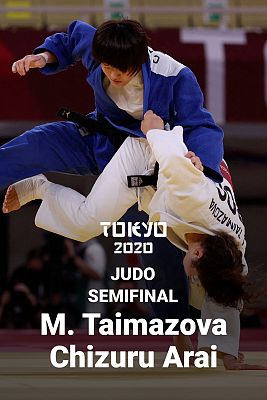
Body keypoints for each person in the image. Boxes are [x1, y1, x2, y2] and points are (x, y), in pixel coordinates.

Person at [1, 19, 224, 330]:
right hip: (100, 143)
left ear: (140, 58)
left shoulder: (173, 75)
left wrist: (202, 162)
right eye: (107, 68)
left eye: (122, 70)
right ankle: (31, 186)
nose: (114, 76)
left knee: (153, 246)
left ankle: (177, 331)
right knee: (36, 143)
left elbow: (201, 125)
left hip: (143, 171)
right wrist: (44, 57)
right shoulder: (100, 47)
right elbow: (70, 41)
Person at [3, 111, 265, 370]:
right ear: (198, 254)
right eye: (196, 275)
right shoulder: (192, 198)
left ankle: (191, 340)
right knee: (87, 223)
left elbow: (226, 289)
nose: (193, 279)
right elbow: (172, 157)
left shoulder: (232, 247)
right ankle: (38, 187)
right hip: (145, 155)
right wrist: (154, 128)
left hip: (169, 183)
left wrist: (226, 353)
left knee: (206, 288)